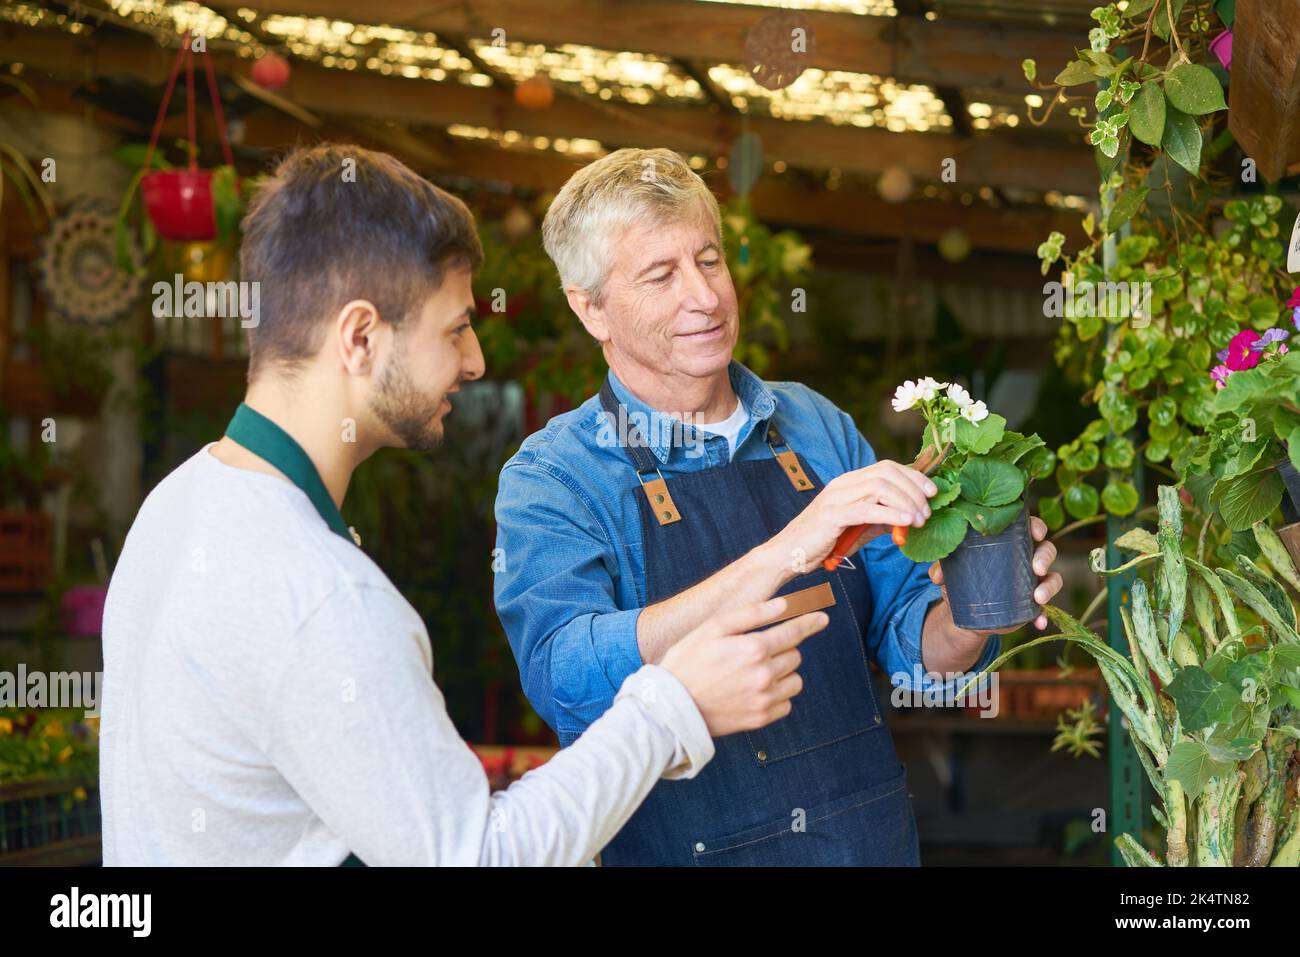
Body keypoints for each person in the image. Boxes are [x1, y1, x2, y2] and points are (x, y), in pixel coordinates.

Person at [99, 144, 826, 866]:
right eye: (454, 327)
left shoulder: (180, 504)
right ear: (359, 337)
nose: (476, 360)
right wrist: (674, 705)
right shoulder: (323, 595)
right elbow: (475, 854)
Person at [493, 147, 1064, 866]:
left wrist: (973, 617)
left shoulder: (813, 425)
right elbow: (563, 678)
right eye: (661, 275)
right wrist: (787, 549)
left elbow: (914, 654)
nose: (703, 297)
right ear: (591, 307)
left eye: (708, 260)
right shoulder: (557, 476)